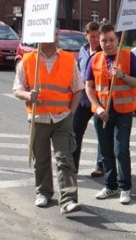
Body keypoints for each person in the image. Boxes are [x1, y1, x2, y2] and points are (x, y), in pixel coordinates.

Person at [13, 29, 84, 214]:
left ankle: (68, 199)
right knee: (41, 159)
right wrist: (28, 95)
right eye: (50, 34)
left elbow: (78, 88)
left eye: (57, 34)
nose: (55, 38)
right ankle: (43, 192)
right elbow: (16, 89)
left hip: (62, 118)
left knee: (65, 158)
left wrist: (72, 112)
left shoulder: (69, 59)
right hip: (38, 118)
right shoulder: (28, 60)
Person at [86, 23, 136, 204]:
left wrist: (122, 76)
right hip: (102, 113)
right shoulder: (94, 59)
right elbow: (89, 87)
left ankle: (125, 187)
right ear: (99, 42)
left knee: (121, 150)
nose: (108, 44)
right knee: (106, 151)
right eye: (104, 41)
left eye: (111, 40)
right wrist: (99, 108)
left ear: (117, 39)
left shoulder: (128, 56)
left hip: (123, 112)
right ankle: (110, 185)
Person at [73, 21, 103, 177]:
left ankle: (100, 165)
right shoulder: (83, 50)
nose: (95, 40)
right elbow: (78, 71)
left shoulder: (104, 52)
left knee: (101, 134)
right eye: (92, 36)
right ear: (86, 36)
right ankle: (73, 166)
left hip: (98, 100)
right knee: (75, 131)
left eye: (98, 36)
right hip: (83, 100)